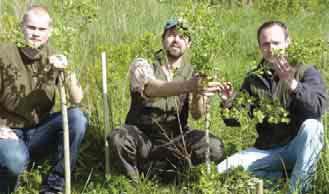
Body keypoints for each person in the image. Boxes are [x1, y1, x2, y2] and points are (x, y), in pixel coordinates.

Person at [216, 21, 327, 194]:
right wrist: (228, 101)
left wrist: (293, 84)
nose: (271, 48)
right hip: (267, 150)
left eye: (276, 43)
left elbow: (318, 108)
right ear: (260, 47)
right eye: (266, 44)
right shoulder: (254, 78)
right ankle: (281, 177)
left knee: (314, 127)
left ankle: (297, 189)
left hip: (299, 147)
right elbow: (236, 121)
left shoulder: (306, 71)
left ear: (287, 42)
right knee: (222, 172)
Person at [108, 18, 225, 182]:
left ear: (188, 43)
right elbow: (150, 88)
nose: (176, 39)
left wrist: (199, 92)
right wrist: (189, 85)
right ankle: (134, 183)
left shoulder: (194, 72)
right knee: (119, 137)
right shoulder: (144, 63)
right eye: (171, 35)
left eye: (182, 36)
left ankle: (172, 173)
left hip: (175, 140)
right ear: (163, 39)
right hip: (143, 137)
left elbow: (197, 114)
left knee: (213, 146)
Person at [0, 5, 88, 194]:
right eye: (31, 28)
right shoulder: (4, 54)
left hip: (39, 130)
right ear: (22, 27)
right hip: (8, 130)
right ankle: (9, 178)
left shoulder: (54, 57)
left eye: (41, 29)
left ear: (49, 32)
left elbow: (77, 99)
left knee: (78, 118)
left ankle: (54, 185)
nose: (36, 34)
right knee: (15, 161)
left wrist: (67, 71)